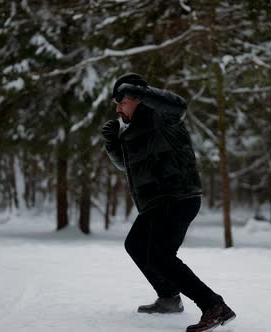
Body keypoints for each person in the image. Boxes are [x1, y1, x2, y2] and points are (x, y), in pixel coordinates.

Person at [101, 73, 236, 332]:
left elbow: (179, 104)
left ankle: (213, 305)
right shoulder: (131, 131)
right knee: (136, 245)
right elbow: (124, 165)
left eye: (121, 101)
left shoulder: (161, 116)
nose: (117, 108)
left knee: (161, 256)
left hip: (178, 196)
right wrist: (112, 144)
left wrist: (143, 92)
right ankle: (169, 298)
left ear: (136, 98)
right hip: (156, 202)